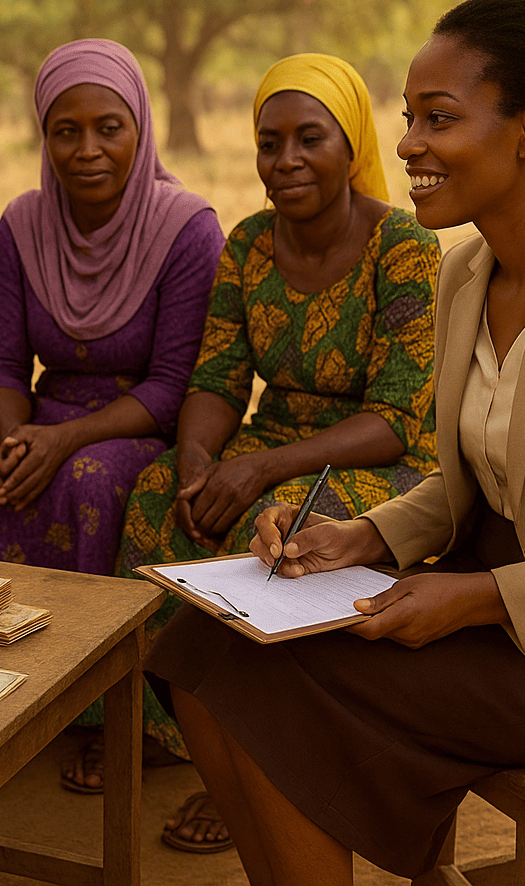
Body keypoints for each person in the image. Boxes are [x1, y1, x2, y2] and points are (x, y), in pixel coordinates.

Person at [148, 0, 525, 884]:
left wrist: (474, 598)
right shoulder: (464, 276)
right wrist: (360, 537)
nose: (407, 143)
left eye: (439, 118)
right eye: (409, 117)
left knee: (268, 682)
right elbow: (471, 483)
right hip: (495, 619)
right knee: (198, 644)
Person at [89, 55, 442, 844]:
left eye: (308, 139)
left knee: (279, 532)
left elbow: (395, 418)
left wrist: (257, 468)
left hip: (384, 462)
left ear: (350, 145)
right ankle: (173, 731)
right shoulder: (248, 243)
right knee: (157, 498)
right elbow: (216, 380)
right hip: (270, 441)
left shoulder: (402, 246)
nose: (285, 161)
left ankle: (263, 765)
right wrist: (196, 461)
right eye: (268, 142)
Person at [0, 39, 223, 575]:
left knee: (90, 479)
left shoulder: (186, 229)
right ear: (45, 138)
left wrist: (64, 440)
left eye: (109, 129)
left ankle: (87, 632)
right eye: (66, 132)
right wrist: (16, 439)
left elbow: (174, 385)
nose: (87, 150)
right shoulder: (22, 225)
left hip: (138, 429)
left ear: (141, 131)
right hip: (41, 419)